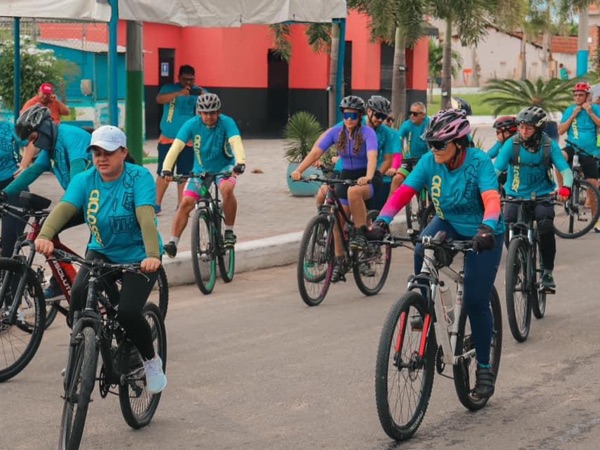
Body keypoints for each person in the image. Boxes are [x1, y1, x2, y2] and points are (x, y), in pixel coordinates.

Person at [370, 108, 505, 399]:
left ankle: (483, 366)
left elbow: (492, 199)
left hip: (483, 231)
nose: (434, 149)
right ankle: (424, 304)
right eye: (431, 144)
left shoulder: (479, 163)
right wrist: (382, 220)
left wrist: (487, 228)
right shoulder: (431, 161)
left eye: (440, 144)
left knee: (475, 299)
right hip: (448, 222)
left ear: (459, 143)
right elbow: (405, 191)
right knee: (422, 247)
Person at [33, 126, 167, 394]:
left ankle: (150, 361)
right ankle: (80, 354)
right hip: (102, 251)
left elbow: (145, 218)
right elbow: (64, 208)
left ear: (123, 152)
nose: (101, 158)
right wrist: (45, 234)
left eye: (108, 152)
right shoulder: (84, 180)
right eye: (96, 152)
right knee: (79, 296)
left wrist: (152, 256)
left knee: (128, 313)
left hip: (139, 256)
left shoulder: (138, 177)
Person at [3, 104, 92, 300]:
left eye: (34, 139)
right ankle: (60, 282)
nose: (33, 146)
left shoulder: (70, 136)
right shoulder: (49, 146)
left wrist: (63, 208)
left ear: (43, 129)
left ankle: (98, 287)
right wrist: (5, 194)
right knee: (47, 229)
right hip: (78, 200)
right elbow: (32, 172)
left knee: (95, 256)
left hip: (99, 202)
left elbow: (77, 179)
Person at [291, 95, 381, 282]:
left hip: (367, 177)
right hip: (346, 175)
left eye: (353, 116)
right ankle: (340, 260)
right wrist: (299, 170)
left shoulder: (368, 133)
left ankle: (360, 235)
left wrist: (369, 176)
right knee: (337, 217)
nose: (349, 120)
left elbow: (372, 156)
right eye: (346, 115)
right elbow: (316, 151)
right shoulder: (335, 132)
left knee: (354, 192)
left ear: (360, 116)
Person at [495, 106, 572, 293]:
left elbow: (565, 170)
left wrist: (566, 188)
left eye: (528, 128)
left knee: (545, 225)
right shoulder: (511, 144)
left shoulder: (548, 145)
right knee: (508, 223)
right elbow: (496, 170)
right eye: (521, 127)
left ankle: (547, 272)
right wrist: (490, 191)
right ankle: (517, 262)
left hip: (542, 195)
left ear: (538, 128)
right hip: (515, 195)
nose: (523, 131)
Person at [161, 93, 246, 258]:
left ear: (219, 112)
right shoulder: (191, 124)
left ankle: (229, 231)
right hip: (200, 170)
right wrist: (167, 169)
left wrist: (241, 162)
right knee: (186, 202)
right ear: (199, 112)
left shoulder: (227, 122)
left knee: (226, 189)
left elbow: (236, 142)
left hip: (225, 167)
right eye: (205, 113)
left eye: (213, 113)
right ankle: (173, 243)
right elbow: (176, 146)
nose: (209, 116)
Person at [154, 65, 207, 215]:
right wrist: (178, 93)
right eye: (185, 79)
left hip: (189, 141)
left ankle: (181, 205)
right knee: (164, 172)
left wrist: (202, 95)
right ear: (179, 77)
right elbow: (159, 99)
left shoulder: (199, 91)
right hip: (168, 139)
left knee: (185, 174)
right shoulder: (169, 88)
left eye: (191, 80)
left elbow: (208, 106)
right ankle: (156, 204)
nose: (188, 83)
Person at [557, 81, 600, 231]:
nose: (577, 97)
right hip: (572, 147)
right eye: (575, 95)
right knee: (559, 157)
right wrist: (573, 116)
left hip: (590, 152)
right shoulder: (570, 110)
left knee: (593, 185)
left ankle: (596, 220)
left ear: (587, 96)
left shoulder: (595, 108)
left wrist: (591, 113)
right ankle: (563, 189)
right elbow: (561, 131)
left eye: (581, 95)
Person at [364, 95, 399, 211]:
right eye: (378, 116)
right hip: (357, 173)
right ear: (369, 111)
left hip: (380, 175)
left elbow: (396, 155)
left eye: (384, 117)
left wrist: (393, 168)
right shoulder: (356, 124)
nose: (382, 120)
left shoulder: (390, 133)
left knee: (375, 212)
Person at [0, 117, 28, 257]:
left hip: (12, 184)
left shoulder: (7, 126)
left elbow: (30, 142)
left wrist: (24, 166)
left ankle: (13, 274)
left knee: (9, 240)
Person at [389, 102, 430, 196]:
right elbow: (397, 140)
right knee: (396, 179)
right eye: (410, 113)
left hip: (425, 160)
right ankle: (388, 208)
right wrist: (397, 157)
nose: (412, 116)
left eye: (415, 114)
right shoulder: (407, 125)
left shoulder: (430, 124)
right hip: (409, 160)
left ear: (423, 115)